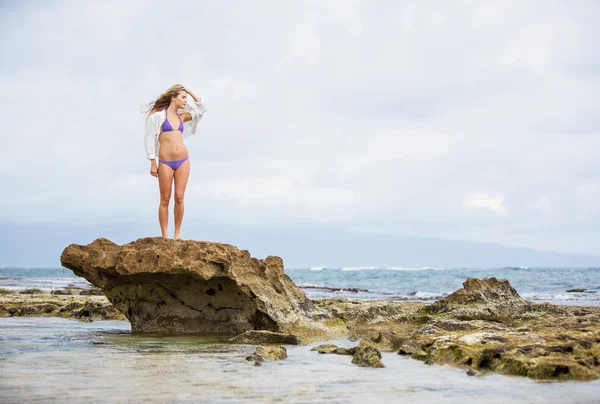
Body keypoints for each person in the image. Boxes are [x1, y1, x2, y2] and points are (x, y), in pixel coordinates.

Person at [144, 84, 207, 239]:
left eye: (186, 98)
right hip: (165, 162)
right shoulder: (157, 117)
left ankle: (177, 234)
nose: (186, 101)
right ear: (173, 98)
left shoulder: (182, 117)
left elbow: (202, 108)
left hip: (183, 160)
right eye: (183, 97)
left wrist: (190, 92)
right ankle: (165, 235)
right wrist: (152, 161)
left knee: (179, 197)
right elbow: (149, 138)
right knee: (165, 198)